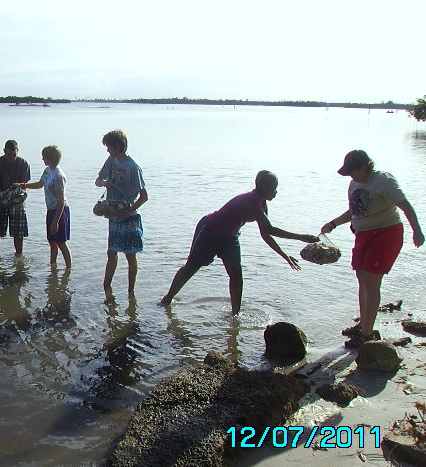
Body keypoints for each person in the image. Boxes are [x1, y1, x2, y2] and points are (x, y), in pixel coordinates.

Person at [160, 171, 318, 314]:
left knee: (236, 275)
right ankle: (167, 299)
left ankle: (235, 314)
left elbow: (265, 234)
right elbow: (270, 229)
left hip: (230, 237)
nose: (276, 192)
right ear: (263, 187)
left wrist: (285, 256)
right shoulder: (252, 201)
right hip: (211, 230)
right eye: (274, 188)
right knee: (191, 268)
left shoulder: (262, 203)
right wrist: (301, 237)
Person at [321, 150, 424, 348]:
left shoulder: (383, 181)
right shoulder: (355, 183)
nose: (350, 176)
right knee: (361, 278)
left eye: (352, 171)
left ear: (364, 167)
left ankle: (367, 334)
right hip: (363, 235)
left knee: (371, 281)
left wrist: (417, 231)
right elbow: (354, 210)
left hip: (386, 234)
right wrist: (333, 224)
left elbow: (405, 206)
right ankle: (363, 324)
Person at [95, 130, 148, 293]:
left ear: (118, 146)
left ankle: (131, 291)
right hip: (113, 216)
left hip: (129, 218)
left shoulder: (133, 167)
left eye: (109, 146)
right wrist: (106, 183)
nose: (107, 150)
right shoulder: (111, 160)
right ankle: (106, 288)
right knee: (111, 253)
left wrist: (128, 210)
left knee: (130, 256)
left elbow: (144, 196)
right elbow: (97, 181)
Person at [18, 145, 72, 268]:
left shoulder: (58, 176)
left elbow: (61, 201)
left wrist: (56, 221)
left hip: (60, 211)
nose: (42, 159)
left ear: (51, 159)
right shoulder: (47, 171)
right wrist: (23, 185)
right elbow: (40, 184)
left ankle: (69, 268)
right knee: (52, 241)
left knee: (61, 242)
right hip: (50, 210)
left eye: (44, 157)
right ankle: (53, 266)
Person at [0, 140, 31, 254]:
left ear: (18, 151)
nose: (11, 158)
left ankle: (19, 257)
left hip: (17, 202)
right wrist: (4, 200)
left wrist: (17, 199)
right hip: (0, 200)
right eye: (8, 155)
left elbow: (24, 187)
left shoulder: (24, 164)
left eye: (14, 155)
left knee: (19, 233)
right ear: (4, 151)